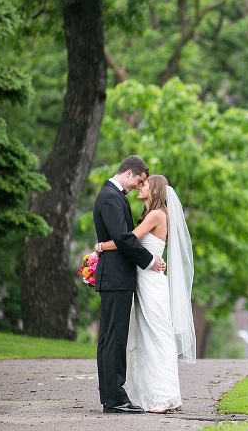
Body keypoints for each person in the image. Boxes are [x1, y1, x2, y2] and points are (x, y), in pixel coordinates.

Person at [96, 174, 196, 414]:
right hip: (144, 281)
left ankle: (165, 397)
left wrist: (100, 246)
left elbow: (126, 240)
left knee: (157, 336)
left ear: (155, 190)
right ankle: (162, 396)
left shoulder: (156, 215)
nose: (141, 187)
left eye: (145, 184)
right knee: (147, 338)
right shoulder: (153, 214)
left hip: (150, 283)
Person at [92, 156, 167, 414]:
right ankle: (115, 398)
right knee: (114, 339)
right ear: (129, 173)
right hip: (116, 277)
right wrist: (149, 261)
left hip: (115, 276)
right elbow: (124, 239)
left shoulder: (112, 195)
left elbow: (121, 238)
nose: (138, 186)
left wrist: (101, 247)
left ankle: (111, 396)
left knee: (110, 338)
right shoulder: (112, 197)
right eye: (139, 180)